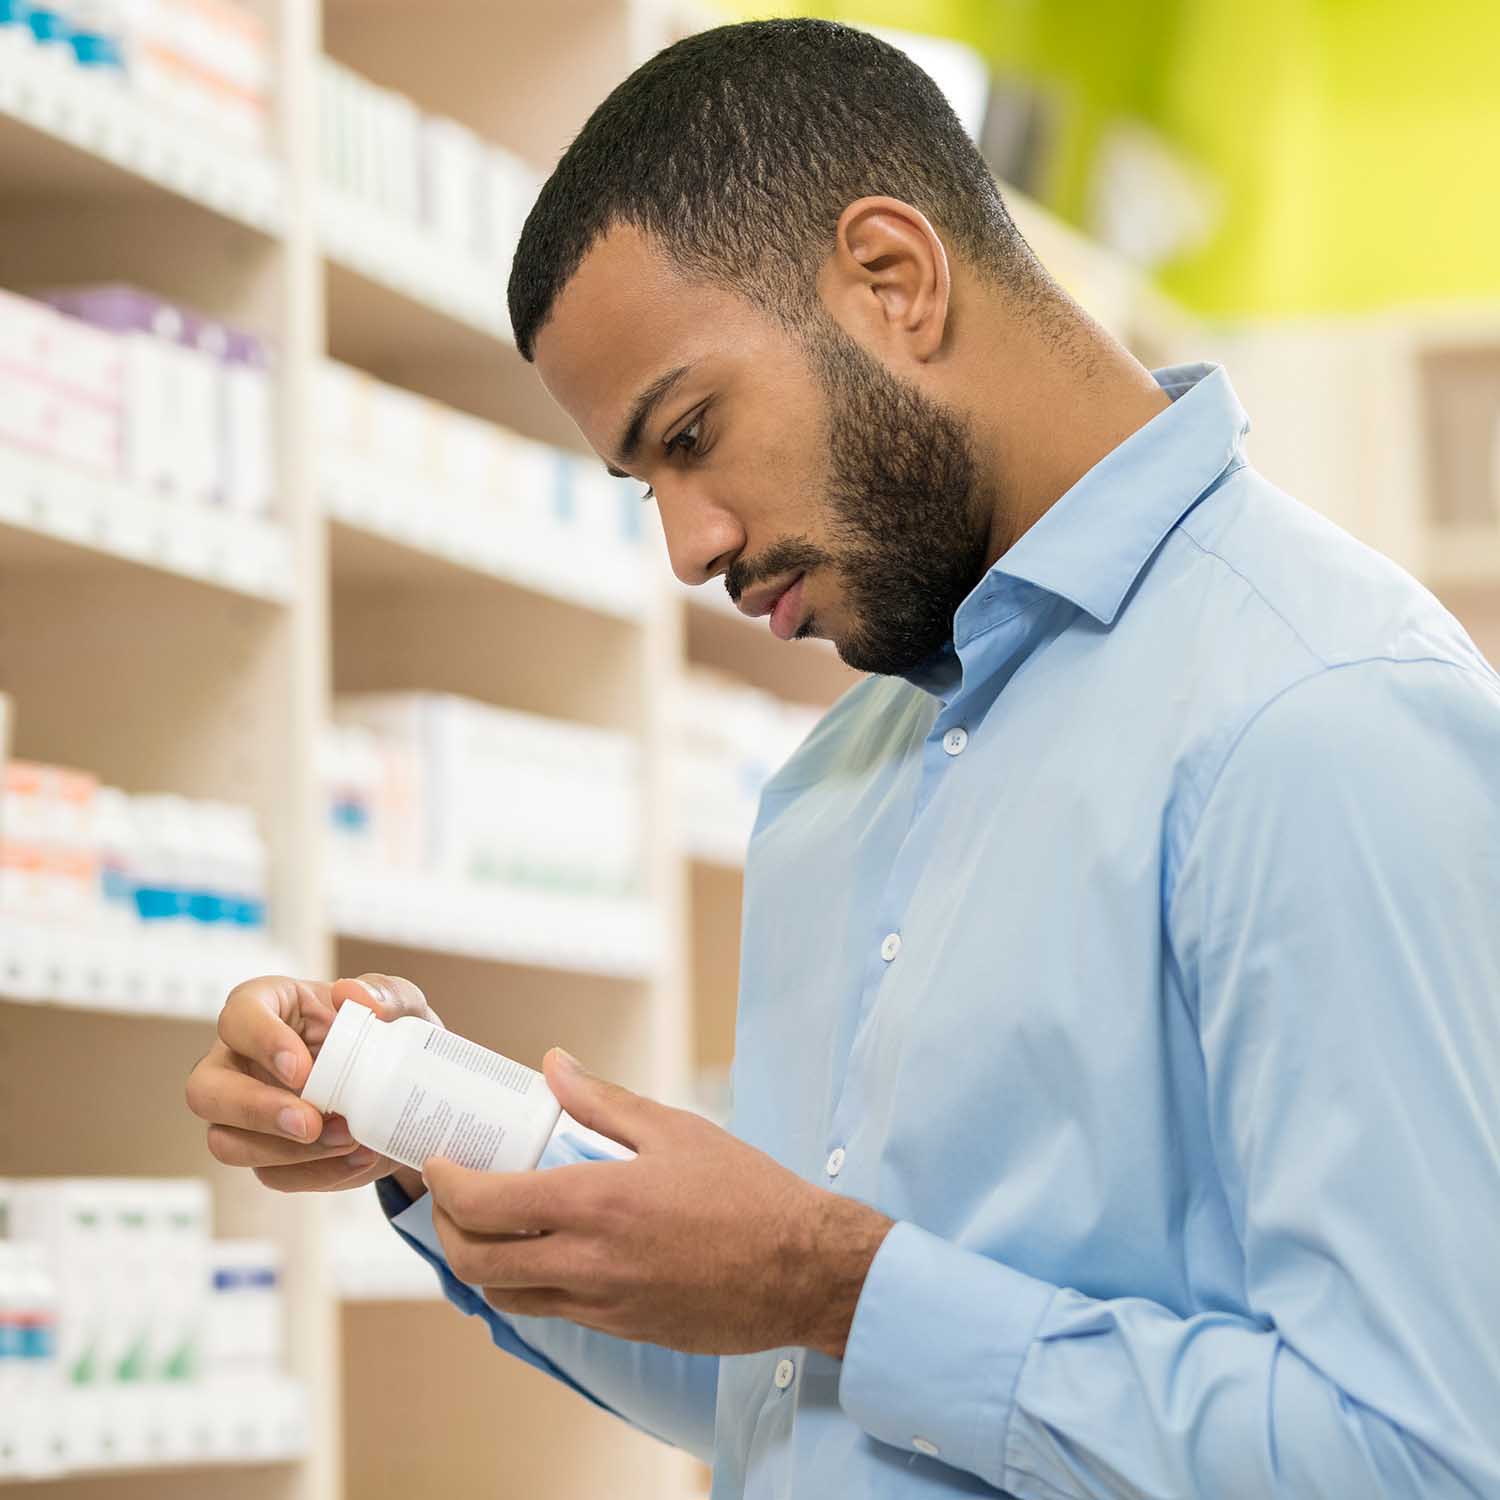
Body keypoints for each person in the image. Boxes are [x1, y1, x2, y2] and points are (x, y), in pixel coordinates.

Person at [186, 18, 1500, 1499]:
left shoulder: (1320, 713)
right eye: (645, 482)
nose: (689, 550)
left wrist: (837, 1286)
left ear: (894, 278)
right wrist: (416, 1129)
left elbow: (1426, 1455)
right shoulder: (837, 784)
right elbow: (795, 1393)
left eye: (692, 433)